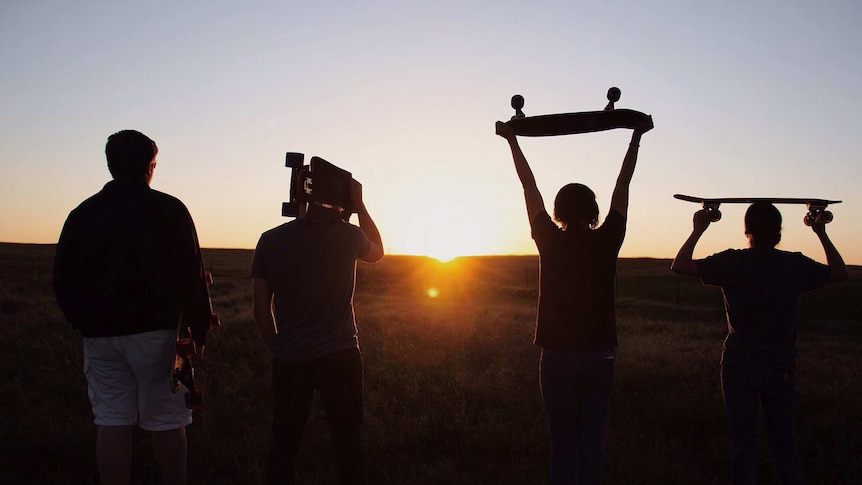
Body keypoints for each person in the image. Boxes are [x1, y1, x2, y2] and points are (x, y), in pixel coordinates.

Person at [496, 118, 653, 484]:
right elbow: (622, 185)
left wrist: (512, 142)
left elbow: (528, 185)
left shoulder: (548, 239)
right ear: (594, 212)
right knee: (592, 443)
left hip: (557, 355)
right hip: (600, 355)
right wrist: (635, 139)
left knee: (562, 446)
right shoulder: (609, 236)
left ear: (558, 212)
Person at [53, 130, 213, 485]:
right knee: (168, 421)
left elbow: (62, 280)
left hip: (101, 336)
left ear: (111, 165)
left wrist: (84, 322)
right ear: (150, 166)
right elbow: (192, 275)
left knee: (111, 421)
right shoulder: (170, 210)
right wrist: (198, 330)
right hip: (158, 336)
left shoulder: (83, 214)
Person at [671, 202, 848, 484]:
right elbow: (839, 272)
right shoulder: (793, 264)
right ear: (778, 232)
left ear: (747, 230)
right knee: (784, 445)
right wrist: (820, 231)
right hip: (780, 366)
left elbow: (680, 265)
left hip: (739, 364)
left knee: (744, 446)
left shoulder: (732, 262)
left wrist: (698, 229)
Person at [251, 177, 384, 485]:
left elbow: (260, 310)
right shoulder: (349, 235)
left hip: (290, 360)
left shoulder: (269, 240)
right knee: (348, 443)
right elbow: (377, 252)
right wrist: (361, 205)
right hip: (341, 356)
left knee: (284, 444)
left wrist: (278, 348)